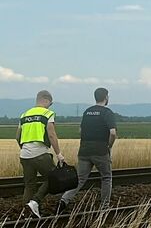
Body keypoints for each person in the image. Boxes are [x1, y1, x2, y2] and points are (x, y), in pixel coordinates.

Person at [58, 87, 117, 211]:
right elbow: (112, 133)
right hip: (100, 150)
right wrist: (109, 146)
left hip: (84, 150)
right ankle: (104, 206)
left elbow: (80, 130)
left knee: (79, 179)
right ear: (106, 97)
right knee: (106, 177)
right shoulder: (107, 113)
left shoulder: (87, 112)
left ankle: (64, 200)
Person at [16, 90, 65, 218]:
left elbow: (17, 136)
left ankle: (25, 213)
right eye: (50, 103)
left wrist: (25, 148)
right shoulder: (47, 113)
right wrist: (59, 154)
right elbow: (51, 134)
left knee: (29, 185)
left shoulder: (24, 115)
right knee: (54, 178)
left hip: (25, 155)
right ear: (46, 99)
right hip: (40, 154)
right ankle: (35, 201)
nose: (50, 105)